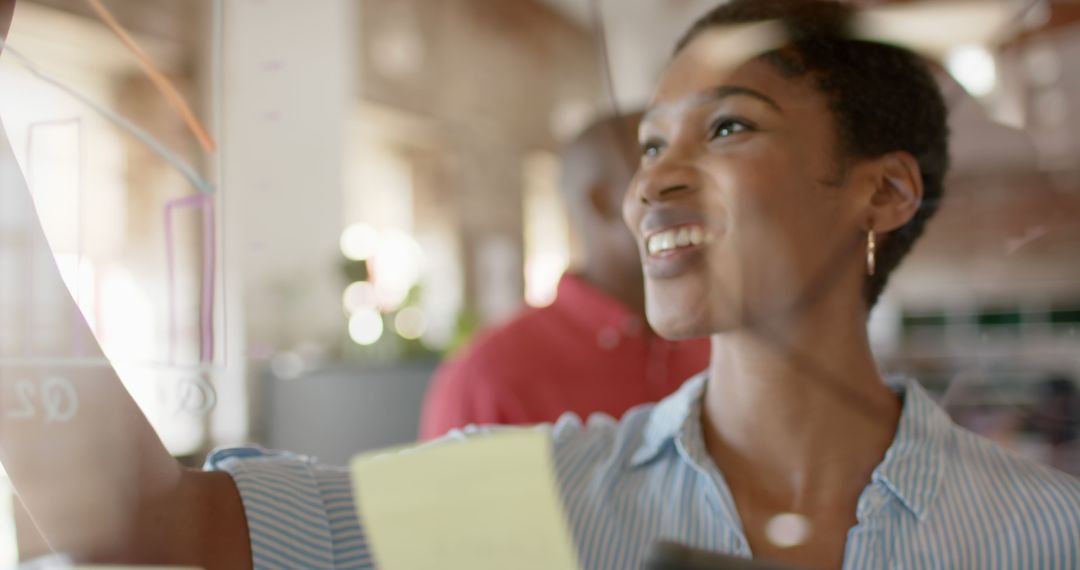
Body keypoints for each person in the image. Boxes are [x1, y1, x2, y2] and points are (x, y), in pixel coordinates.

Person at [4, 1, 1079, 569]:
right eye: (651, 144)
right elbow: (138, 527)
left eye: (728, 128)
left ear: (880, 194)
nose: (654, 179)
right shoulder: (536, 500)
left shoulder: (1045, 535)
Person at [419, 112, 709, 440]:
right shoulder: (488, 376)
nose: (692, 191)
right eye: (653, 159)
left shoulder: (721, 343)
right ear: (602, 203)